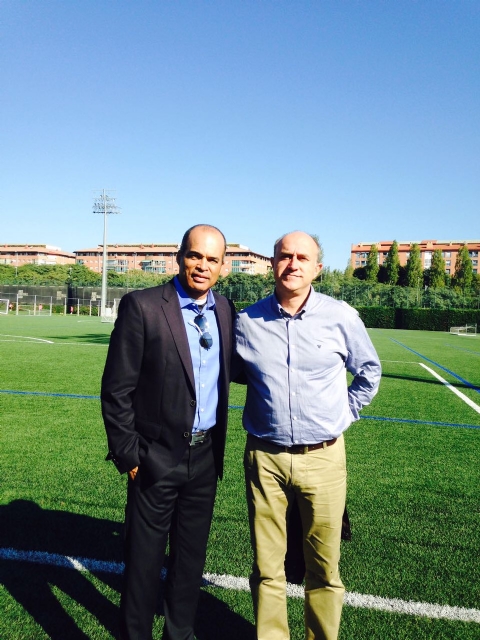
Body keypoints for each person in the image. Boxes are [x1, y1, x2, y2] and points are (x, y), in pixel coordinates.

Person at [235, 231, 381, 640]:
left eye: (303, 257)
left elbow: (369, 371)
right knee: (268, 566)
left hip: (324, 457)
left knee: (324, 566)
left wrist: (343, 413)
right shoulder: (247, 321)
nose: (293, 263)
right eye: (285, 256)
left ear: (317, 267)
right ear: (273, 263)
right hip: (265, 458)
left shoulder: (341, 317)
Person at [101, 224, 235, 640]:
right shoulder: (142, 306)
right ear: (179, 257)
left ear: (223, 266)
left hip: (205, 457)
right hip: (154, 459)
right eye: (195, 256)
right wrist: (130, 455)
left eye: (212, 259)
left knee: (189, 562)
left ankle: (179, 634)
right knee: (143, 564)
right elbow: (116, 389)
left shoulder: (225, 309)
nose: (202, 266)